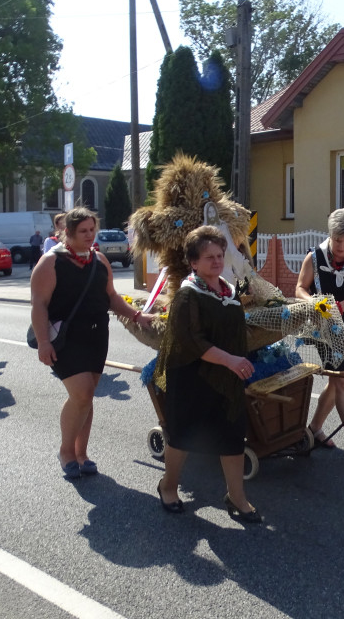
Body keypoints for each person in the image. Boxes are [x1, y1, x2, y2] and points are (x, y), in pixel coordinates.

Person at [30, 207, 149, 479]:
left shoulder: (99, 260)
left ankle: (81, 453)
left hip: (96, 336)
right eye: (82, 231)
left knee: (86, 397)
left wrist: (138, 315)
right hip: (66, 339)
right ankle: (66, 451)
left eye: (92, 229)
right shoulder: (50, 262)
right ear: (67, 233)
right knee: (81, 394)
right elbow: (39, 306)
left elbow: (111, 297)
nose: (89, 235)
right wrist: (43, 342)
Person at [154, 226, 261, 523]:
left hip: (226, 377)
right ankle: (168, 486)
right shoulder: (188, 295)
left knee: (232, 436)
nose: (216, 261)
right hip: (192, 378)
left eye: (219, 255)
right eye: (208, 257)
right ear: (193, 262)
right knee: (184, 437)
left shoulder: (226, 288)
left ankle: (237, 497)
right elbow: (193, 342)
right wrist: (230, 360)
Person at [296, 208, 344, 462]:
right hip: (322, 326)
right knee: (342, 380)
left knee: (336, 378)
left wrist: (338, 308)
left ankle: (315, 428)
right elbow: (300, 288)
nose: (341, 246)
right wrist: (316, 304)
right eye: (337, 240)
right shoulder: (315, 257)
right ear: (330, 235)